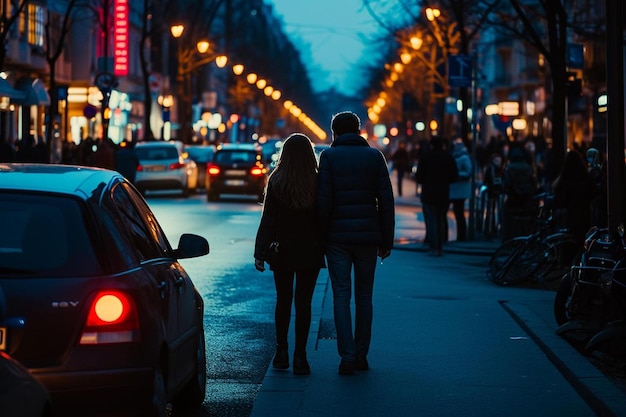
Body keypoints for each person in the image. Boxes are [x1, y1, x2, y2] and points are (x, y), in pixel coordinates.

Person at [316, 111, 394, 376]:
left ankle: (346, 356)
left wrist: (321, 238)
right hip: (368, 237)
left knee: (341, 296)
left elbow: (323, 201)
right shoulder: (375, 157)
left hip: (337, 238)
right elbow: (386, 202)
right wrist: (386, 239)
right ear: (359, 131)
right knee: (364, 296)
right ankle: (362, 354)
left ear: (335, 133)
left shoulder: (328, 157)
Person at [254, 133, 325, 376]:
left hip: (281, 248)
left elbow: (268, 219)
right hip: (310, 249)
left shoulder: (276, 180)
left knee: (283, 300)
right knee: (304, 303)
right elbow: (323, 219)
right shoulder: (317, 181)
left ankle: (281, 352)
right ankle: (301, 357)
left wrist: (260, 252)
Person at [416, 136, 458, 256]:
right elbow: (454, 176)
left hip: (429, 192)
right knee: (441, 218)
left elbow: (419, 176)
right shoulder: (448, 157)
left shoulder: (426, 157)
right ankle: (441, 245)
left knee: (432, 220)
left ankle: (433, 246)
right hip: (444, 192)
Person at [552, 149, 591, 247]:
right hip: (584, 216)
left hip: (568, 218)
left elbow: (560, 199)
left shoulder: (564, 180)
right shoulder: (585, 179)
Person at [501, 146, 538, 241]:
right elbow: (534, 184)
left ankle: (511, 239)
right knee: (526, 221)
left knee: (510, 218)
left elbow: (506, 183)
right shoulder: (528, 168)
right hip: (527, 200)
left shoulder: (509, 168)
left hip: (513, 199)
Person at [448, 139, 472, 241]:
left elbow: (468, 172)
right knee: (458, 213)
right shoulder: (456, 156)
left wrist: (456, 175)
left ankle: (462, 236)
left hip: (460, 189)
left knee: (459, 213)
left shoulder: (464, 157)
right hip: (455, 189)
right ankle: (460, 235)